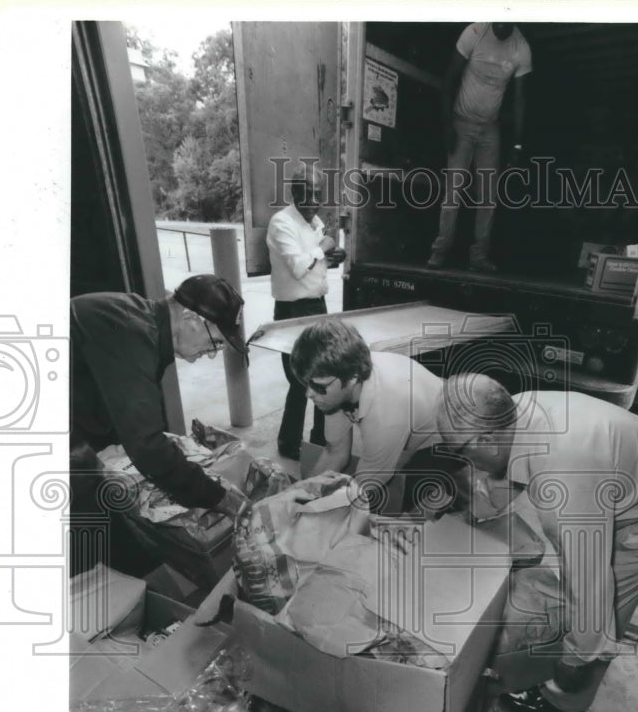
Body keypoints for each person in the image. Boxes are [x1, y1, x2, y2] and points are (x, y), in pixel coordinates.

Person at [436, 374, 638, 712]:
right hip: (633, 476)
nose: (463, 461)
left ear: (486, 436)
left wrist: (576, 657)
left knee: (606, 613)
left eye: (459, 450)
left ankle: (565, 698)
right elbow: (512, 467)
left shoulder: (564, 486)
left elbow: (590, 585)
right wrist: (473, 515)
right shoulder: (516, 410)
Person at [70, 274, 249, 574]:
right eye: (215, 341)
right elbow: (147, 446)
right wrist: (222, 499)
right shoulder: (133, 334)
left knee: (110, 507)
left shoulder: (145, 323)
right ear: (191, 317)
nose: (212, 354)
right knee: (85, 525)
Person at [288, 317, 464, 515]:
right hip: (416, 413)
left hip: (452, 432)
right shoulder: (337, 378)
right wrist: (295, 496)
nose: (309, 394)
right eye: (306, 384)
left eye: (318, 386)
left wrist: (309, 511)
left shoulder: (386, 412)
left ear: (352, 378)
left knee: (402, 508)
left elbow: (361, 487)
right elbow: (335, 452)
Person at [428, 22, 532, 272]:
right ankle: (439, 251)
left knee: (488, 197)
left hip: (490, 129)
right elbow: (448, 80)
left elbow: (519, 100)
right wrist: (447, 127)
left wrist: (517, 143)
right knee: (453, 192)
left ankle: (479, 257)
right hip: (461, 123)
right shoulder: (474, 32)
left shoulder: (521, 48)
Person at [266, 162, 346, 461]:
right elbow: (299, 267)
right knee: (300, 381)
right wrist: (323, 248)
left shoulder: (313, 223)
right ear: (293, 192)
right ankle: (288, 444)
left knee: (321, 377)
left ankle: (317, 440)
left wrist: (333, 256)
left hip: (317, 307)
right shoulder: (281, 222)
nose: (313, 201)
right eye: (306, 194)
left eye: (317, 194)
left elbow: (317, 262)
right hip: (291, 311)